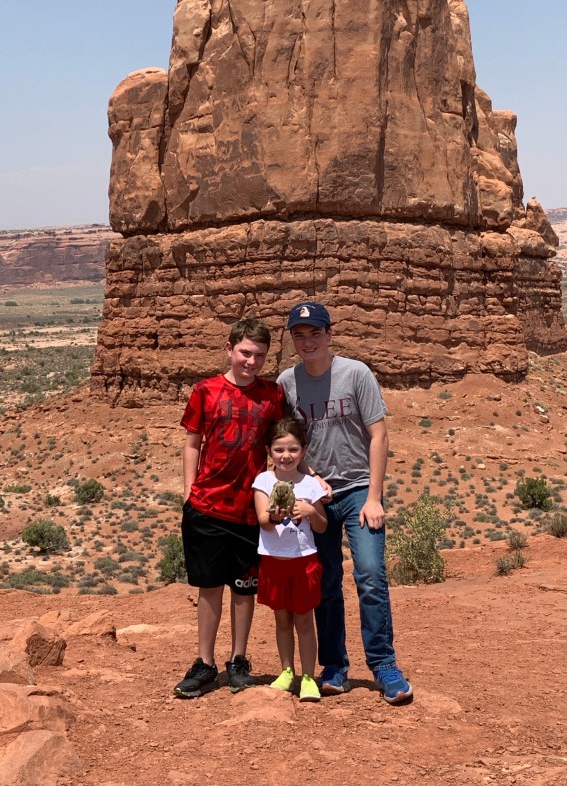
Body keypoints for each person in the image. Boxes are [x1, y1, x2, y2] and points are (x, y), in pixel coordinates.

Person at [277, 301, 413, 704]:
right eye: (300, 336)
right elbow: (289, 441)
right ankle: (334, 665)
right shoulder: (287, 382)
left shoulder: (356, 374)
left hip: (358, 492)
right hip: (316, 496)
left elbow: (379, 435)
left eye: (315, 334)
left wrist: (373, 497)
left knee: (369, 574)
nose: (308, 342)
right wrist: (306, 478)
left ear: (329, 335)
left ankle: (384, 665)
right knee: (326, 582)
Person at [173, 317, 285, 699]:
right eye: (245, 353)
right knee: (209, 587)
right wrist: (189, 492)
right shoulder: (205, 391)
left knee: (243, 588)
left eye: (259, 355)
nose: (251, 361)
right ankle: (205, 664)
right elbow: (192, 443)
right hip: (207, 506)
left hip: (250, 509)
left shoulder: (272, 395)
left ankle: (238, 660)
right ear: (229, 349)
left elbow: (281, 446)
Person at [253, 418, 328, 702]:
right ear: (269, 451)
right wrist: (275, 514)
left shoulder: (310, 485)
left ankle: (308, 677)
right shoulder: (263, 481)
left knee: (305, 621)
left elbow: (322, 526)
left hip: (303, 561)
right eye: (279, 449)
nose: (286, 456)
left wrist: (310, 511)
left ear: (304, 451)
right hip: (274, 561)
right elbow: (263, 522)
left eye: (293, 449)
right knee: (282, 620)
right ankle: (287, 671)